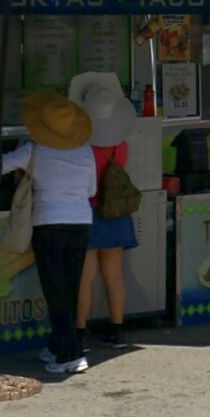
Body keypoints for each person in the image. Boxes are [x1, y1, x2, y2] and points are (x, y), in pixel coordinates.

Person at [1, 90, 95, 375]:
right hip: (81, 222)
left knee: (55, 291)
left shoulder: (34, 150)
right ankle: (60, 344)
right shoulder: (86, 150)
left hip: (48, 223)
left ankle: (70, 354)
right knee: (70, 287)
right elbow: (92, 190)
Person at [69, 71, 139, 352]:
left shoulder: (81, 146)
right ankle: (117, 330)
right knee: (114, 274)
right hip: (116, 210)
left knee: (84, 277)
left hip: (87, 212)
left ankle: (80, 333)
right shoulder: (120, 145)